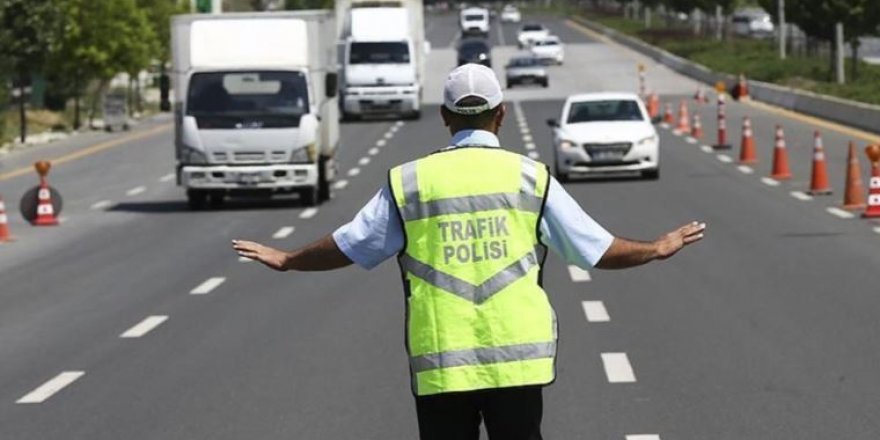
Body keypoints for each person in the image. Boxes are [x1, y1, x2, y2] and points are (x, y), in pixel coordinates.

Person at [232, 64, 707, 440]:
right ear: (501, 114)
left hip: (442, 364)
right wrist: (656, 247)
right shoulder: (530, 178)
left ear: (444, 117)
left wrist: (288, 259)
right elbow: (596, 250)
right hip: (518, 363)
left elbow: (351, 245)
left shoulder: (411, 182)